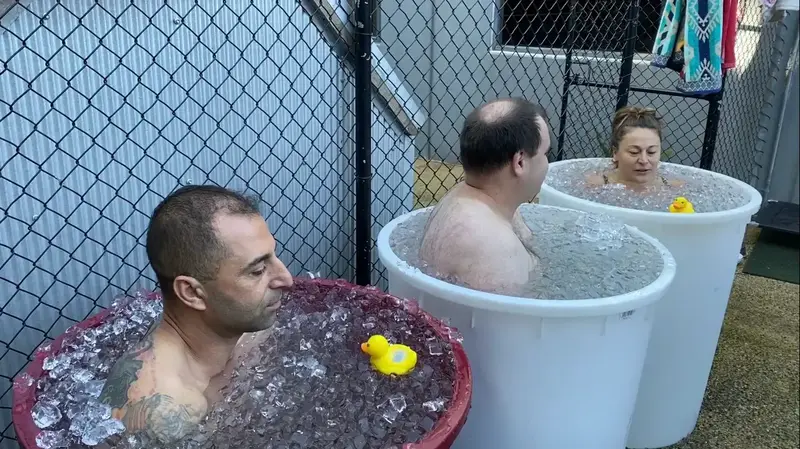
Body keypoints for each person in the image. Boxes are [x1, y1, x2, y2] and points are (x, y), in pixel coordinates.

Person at [98, 185, 294, 445]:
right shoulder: (159, 409)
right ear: (191, 292)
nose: (286, 279)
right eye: (257, 270)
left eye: (273, 255)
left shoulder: (245, 322)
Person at [419, 97, 551, 295]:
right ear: (520, 162)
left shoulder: (467, 199)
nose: (547, 163)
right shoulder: (493, 246)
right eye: (546, 153)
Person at [587, 106, 682, 189]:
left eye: (651, 152)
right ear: (615, 153)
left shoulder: (674, 189)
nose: (644, 160)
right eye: (634, 152)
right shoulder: (594, 187)